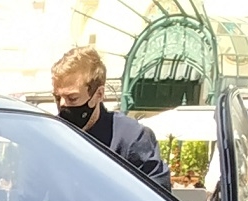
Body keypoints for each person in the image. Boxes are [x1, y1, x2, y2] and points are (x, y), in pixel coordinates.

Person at [50, 46, 169, 193]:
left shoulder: (132, 138)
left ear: (99, 94)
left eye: (72, 98)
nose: (62, 104)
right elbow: (29, 198)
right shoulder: (50, 136)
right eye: (57, 97)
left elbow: (158, 199)